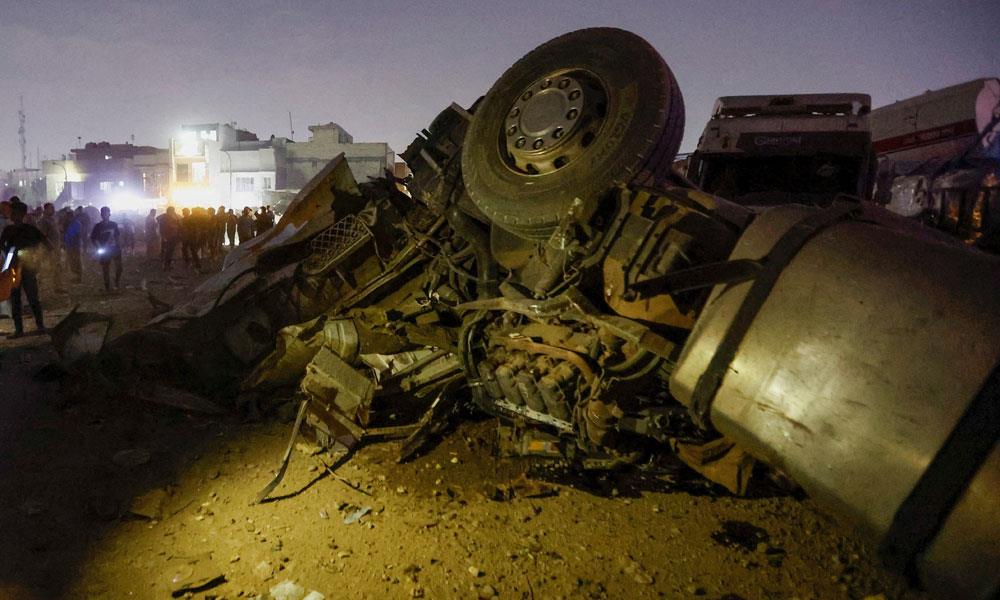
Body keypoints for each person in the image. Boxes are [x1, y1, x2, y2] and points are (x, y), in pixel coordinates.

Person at [0, 198, 50, 338]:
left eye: (14, 212)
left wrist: (35, 258)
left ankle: (38, 327)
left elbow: (46, 244)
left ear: (20, 214)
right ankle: (21, 330)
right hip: (15, 268)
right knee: (17, 299)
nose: (12, 215)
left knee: (31, 298)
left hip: (26, 268)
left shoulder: (28, 229)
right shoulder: (10, 230)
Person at [90, 206, 123, 292]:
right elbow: (94, 238)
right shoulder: (98, 226)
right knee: (105, 269)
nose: (105, 215)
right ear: (101, 215)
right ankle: (107, 286)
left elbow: (117, 236)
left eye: (107, 213)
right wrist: (99, 247)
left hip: (114, 249)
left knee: (119, 267)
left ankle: (117, 282)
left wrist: (119, 246)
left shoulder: (114, 225)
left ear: (109, 214)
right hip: (104, 250)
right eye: (103, 213)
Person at [37, 202, 63, 292]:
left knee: (57, 267)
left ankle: (57, 286)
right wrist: (49, 248)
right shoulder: (44, 221)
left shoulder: (52, 220)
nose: (53, 210)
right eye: (51, 208)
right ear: (46, 209)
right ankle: (40, 284)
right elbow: (43, 236)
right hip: (49, 249)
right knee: (50, 268)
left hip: (56, 247)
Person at [63, 208, 85, 283]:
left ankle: (78, 277)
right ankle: (75, 277)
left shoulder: (76, 224)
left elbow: (72, 235)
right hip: (70, 246)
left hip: (75, 246)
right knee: (72, 262)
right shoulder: (71, 223)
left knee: (76, 262)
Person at [157, 206, 181, 271]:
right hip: (169, 237)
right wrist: (176, 226)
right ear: (171, 211)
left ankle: (167, 265)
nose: (174, 212)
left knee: (168, 251)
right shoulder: (168, 217)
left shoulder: (164, 217)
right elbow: (170, 226)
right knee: (169, 251)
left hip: (167, 236)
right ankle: (166, 266)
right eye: (173, 211)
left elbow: (158, 219)